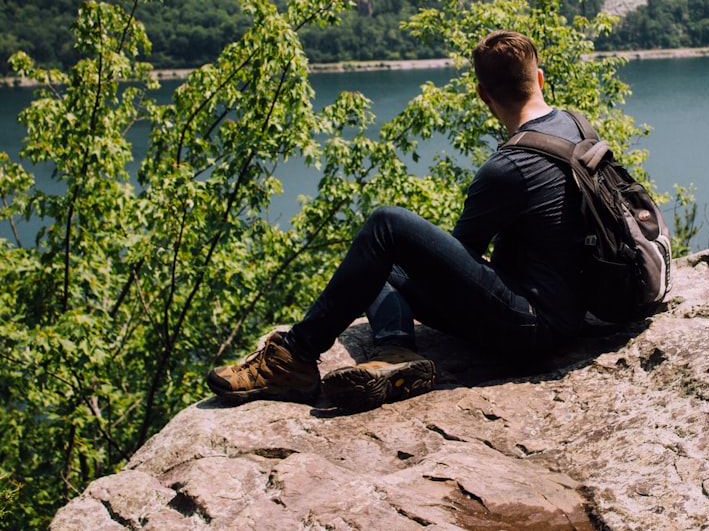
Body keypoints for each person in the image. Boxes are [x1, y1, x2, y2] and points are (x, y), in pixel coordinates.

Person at [207, 30, 589, 410]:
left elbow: (450, 267)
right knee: (372, 266)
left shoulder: (507, 167)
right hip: (572, 313)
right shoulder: (575, 127)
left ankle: (294, 356)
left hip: (535, 329)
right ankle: (396, 351)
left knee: (385, 226)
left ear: (483, 95)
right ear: (539, 78)